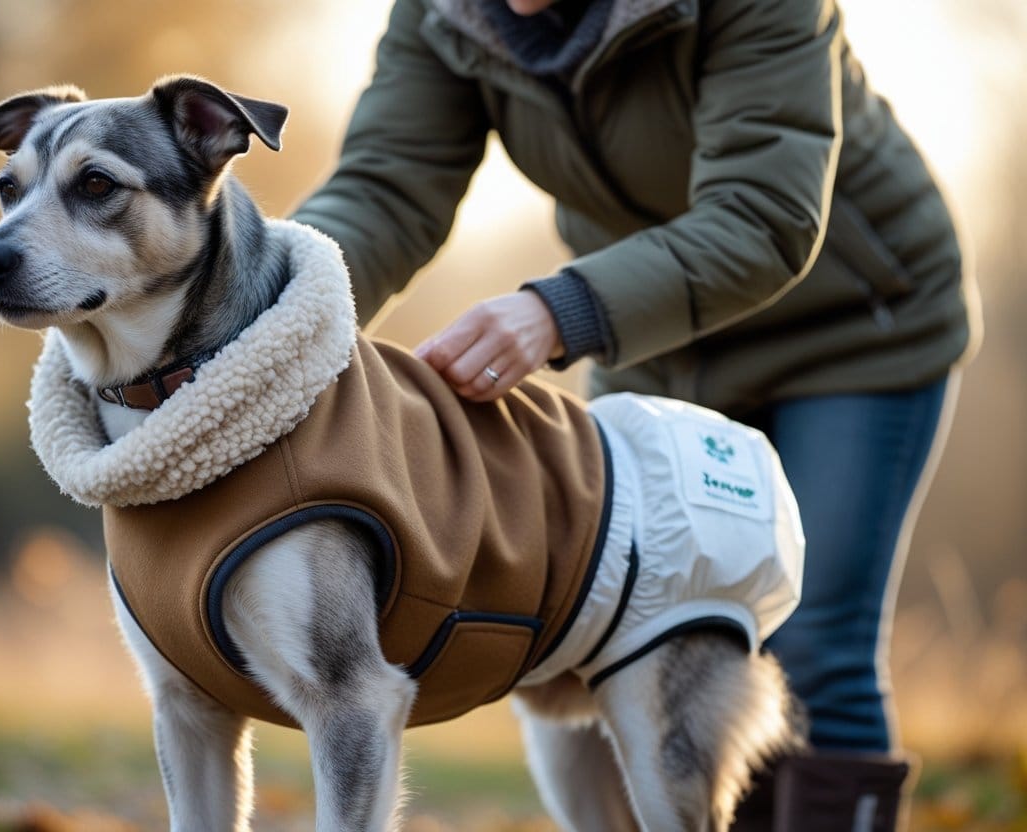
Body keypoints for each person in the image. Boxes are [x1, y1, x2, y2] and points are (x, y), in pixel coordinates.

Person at [291, 0, 980, 828]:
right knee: (605, 628)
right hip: (657, 346)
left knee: (813, 646)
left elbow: (765, 218)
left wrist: (553, 313)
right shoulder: (444, 16)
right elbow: (387, 188)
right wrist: (265, 317)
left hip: (855, 332)